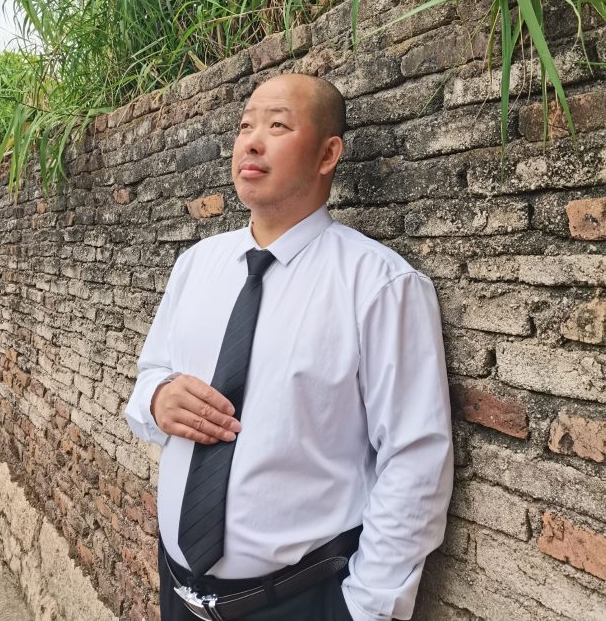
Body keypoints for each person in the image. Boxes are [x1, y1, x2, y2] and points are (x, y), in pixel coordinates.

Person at [125, 73, 453, 621]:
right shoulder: (197, 265)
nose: (251, 142)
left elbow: (415, 458)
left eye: (277, 126)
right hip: (178, 591)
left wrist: (363, 610)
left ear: (328, 154)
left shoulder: (379, 285)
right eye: (244, 126)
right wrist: (158, 398)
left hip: (302, 602)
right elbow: (150, 375)